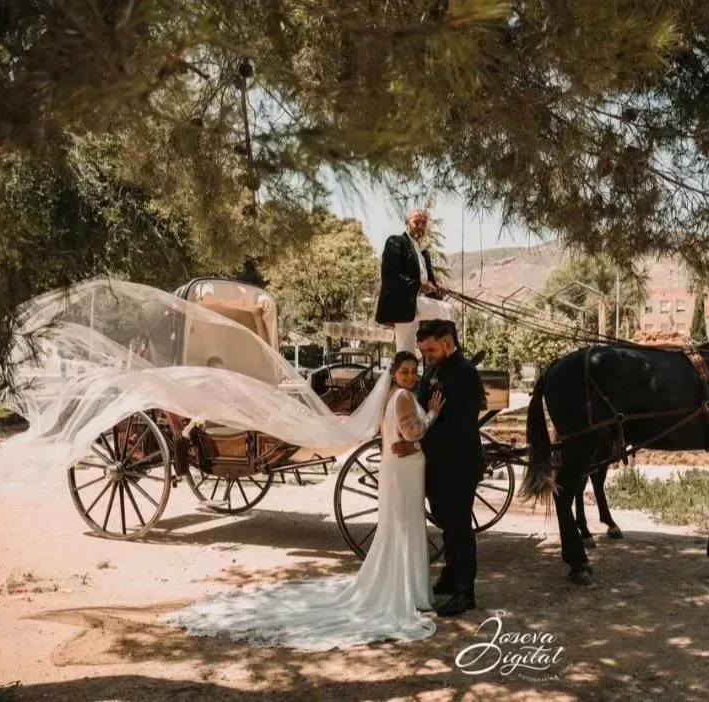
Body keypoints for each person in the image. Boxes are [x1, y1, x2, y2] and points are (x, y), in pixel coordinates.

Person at [162, 352, 446, 650]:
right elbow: (411, 431)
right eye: (405, 372)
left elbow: (393, 433)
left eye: (414, 372)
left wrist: (410, 440)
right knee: (406, 524)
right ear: (395, 373)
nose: (411, 377)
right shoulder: (402, 397)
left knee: (399, 526)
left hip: (397, 467)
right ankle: (407, 589)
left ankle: (403, 585)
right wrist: (432, 415)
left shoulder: (390, 395)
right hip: (404, 470)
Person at [393, 319, 485, 617]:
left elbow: (459, 427)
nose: (426, 357)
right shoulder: (433, 369)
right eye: (422, 351)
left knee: (459, 527)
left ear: (448, 343)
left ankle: (464, 591)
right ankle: (449, 577)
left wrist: (418, 446)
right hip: (436, 464)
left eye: (430, 350)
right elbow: (421, 410)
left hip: (459, 463)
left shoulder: (466, 375)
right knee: (447, 524)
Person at [375, 209, 455, 353]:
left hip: (416, 306)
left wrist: (437, 288)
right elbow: (390, 277)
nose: (420, 225)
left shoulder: (424, 253)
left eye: (424, 223)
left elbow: (430, 283)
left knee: (405, 353)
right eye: (416, 222)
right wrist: (419, 286)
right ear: (407, 223)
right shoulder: (395, 242)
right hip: (401, 303)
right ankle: (452, 355)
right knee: (447, 309)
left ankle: (439, 355)